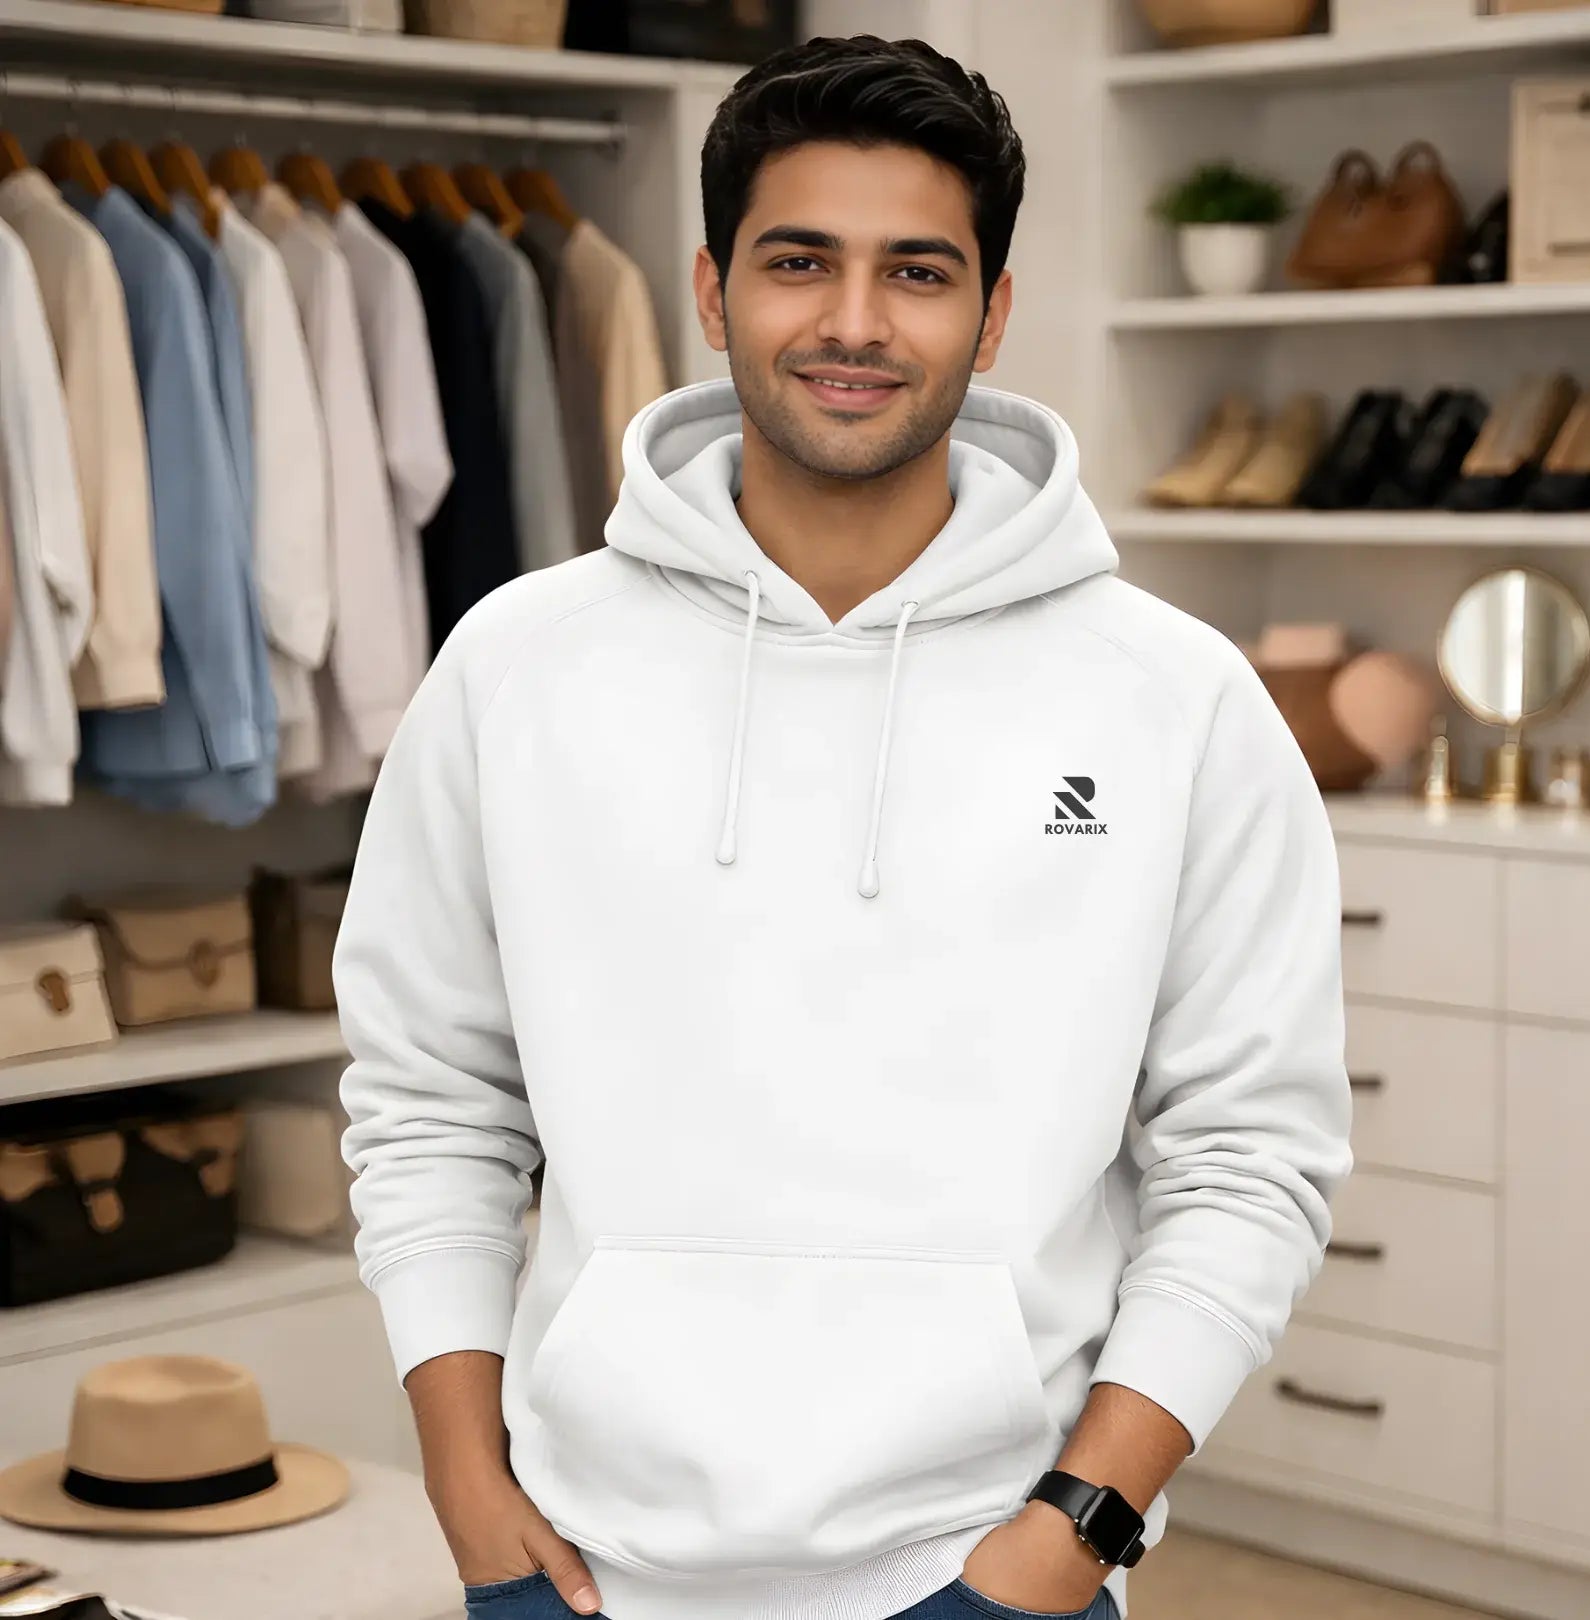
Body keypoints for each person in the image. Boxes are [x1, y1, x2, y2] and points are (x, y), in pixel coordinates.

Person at [333, 33, 1354, 1620]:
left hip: (991, 1561)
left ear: (994, 311)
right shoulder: (515, 666)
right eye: (800, 260)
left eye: (920, 272)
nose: (857, 323)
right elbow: (430, 1104)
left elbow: (1250, 1157)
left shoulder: (1175, 698)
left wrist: (1072, 1533)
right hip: (585, 1565)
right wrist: (468, 1490)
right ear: (711, 285)